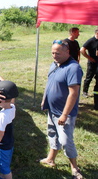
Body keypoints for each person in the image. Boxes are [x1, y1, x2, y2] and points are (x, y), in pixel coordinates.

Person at [40, 40, 83, 179]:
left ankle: (75, 168)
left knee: (65, 140)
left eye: (57, 53)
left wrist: (64, 115)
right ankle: (50, 159)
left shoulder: (73, 68)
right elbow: (50, 82)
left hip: (64, 113)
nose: (54, 55)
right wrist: (44, 99)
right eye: (52, 52)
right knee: (52, 134)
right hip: (52, 109)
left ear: (67, 52)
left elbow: (73, 93)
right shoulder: (55, 64)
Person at [0, 81, 19, 179]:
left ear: (0, 101)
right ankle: (1, 177)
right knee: (4, 165)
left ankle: (5, 176)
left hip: (1, 146)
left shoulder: (1, 117)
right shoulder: (12, 107)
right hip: (9, 143)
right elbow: (12, 100)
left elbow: (0, 134)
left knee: (5, 168)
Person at [80, 28, 98, 103]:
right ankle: (85, 91)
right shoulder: (91, 41)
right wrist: (89, 58)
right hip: (92, 63)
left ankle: (96, 92)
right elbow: (82, 50)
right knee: (89, 77)